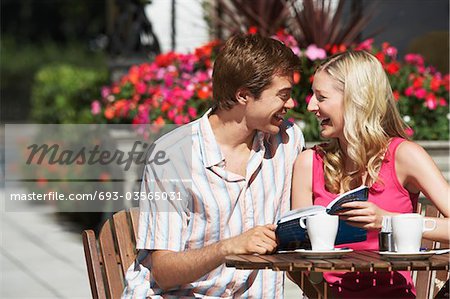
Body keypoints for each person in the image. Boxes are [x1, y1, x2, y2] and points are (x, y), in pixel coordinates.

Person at [122, 33, 305, 298]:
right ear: (243, 95)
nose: (291, 104)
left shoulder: (287, 141)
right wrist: (228, 248)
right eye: (282, 95)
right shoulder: (174, 156)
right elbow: (163, 272)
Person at [291, 50, 449, 298]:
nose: (311, 106)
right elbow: (294, 255)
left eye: (321, 97)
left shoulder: (404, 156)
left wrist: (389, 221)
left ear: (357, 100)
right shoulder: (309, 163)